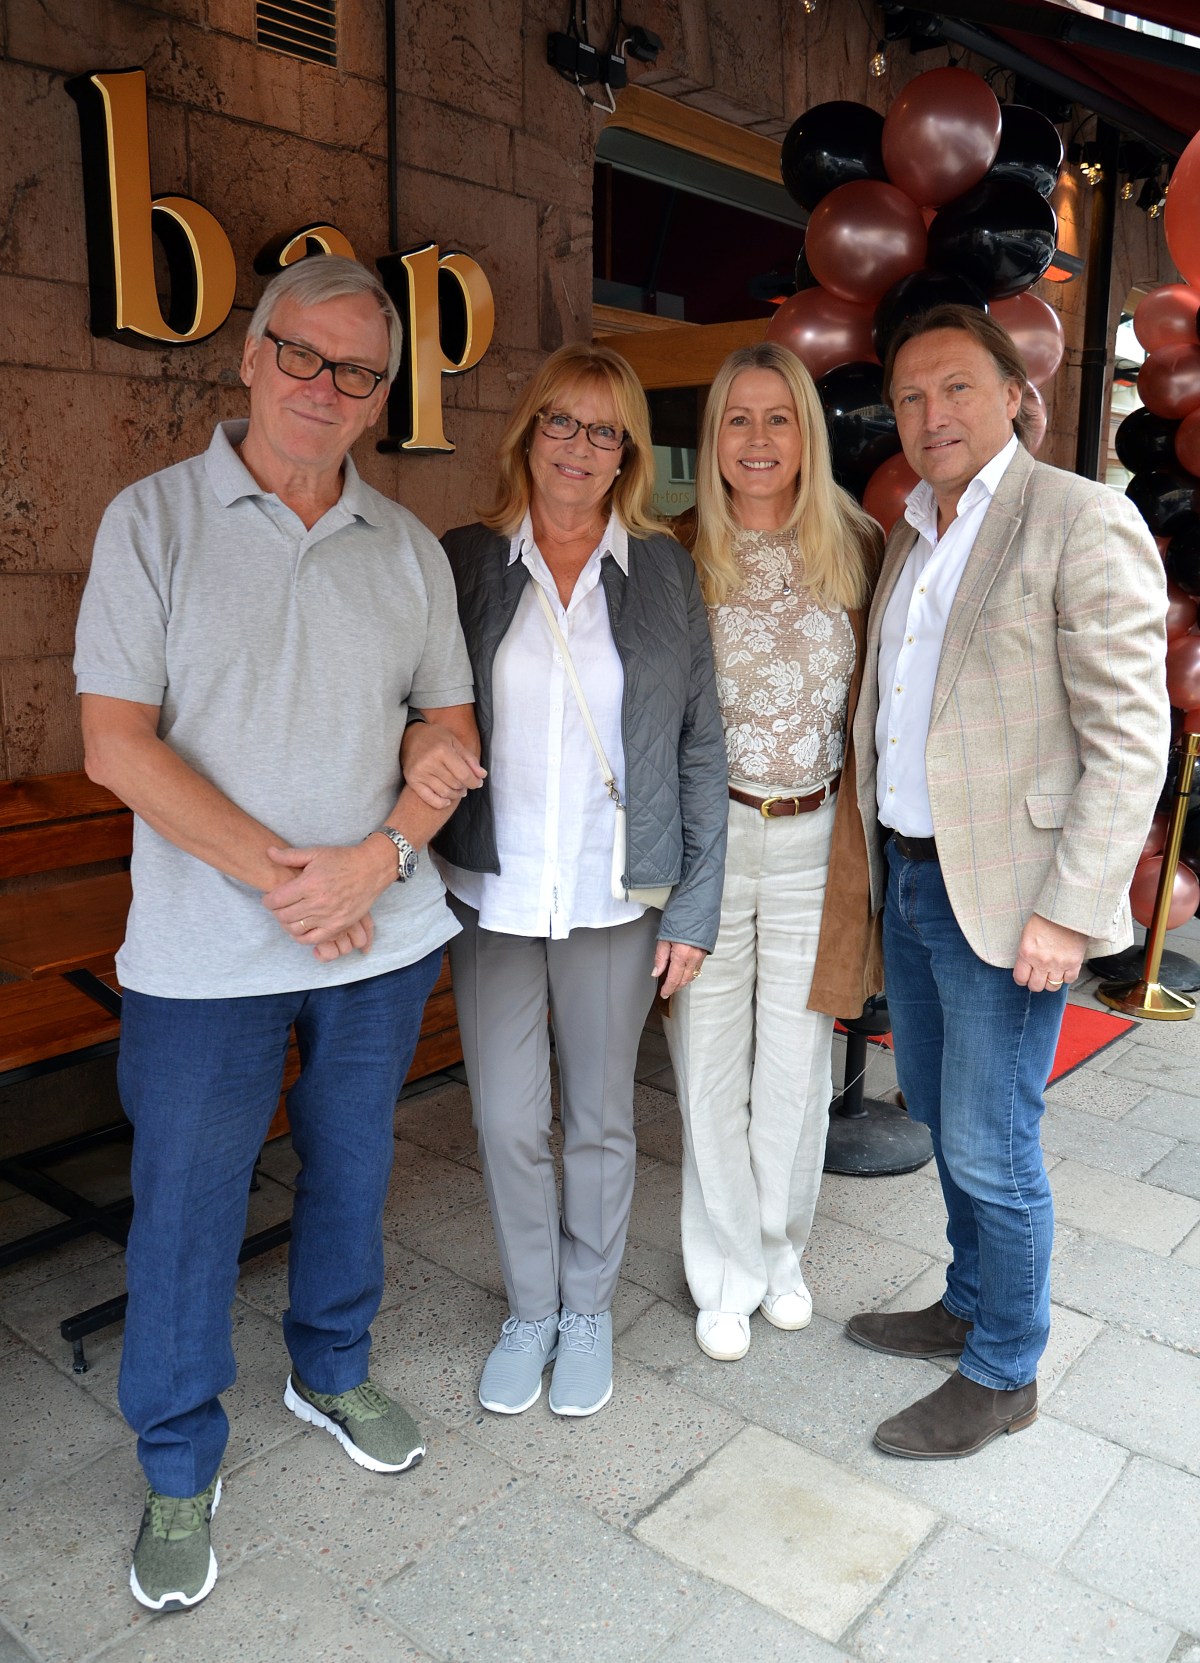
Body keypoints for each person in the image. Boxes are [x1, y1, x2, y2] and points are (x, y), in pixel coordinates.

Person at [73, 255, 478, 1609]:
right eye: (302, 353)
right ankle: (179, 1457)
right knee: (187, 1211)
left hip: (382, 938)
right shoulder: (152, 521)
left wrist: (378, 859)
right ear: (249, 357)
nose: (325, 385)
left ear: (380, 396)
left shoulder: (407, 546)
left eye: (357, 370)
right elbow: (115, 744)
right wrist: (292, 881)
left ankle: (332, 1368)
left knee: (353, 1171)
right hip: (203, 955)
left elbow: (446, 723)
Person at [845, 304, 1169, 1459]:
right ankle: (967, 1300)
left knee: (992, 1140)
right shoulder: (912, 535)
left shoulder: (1079, 518)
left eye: (956, 388)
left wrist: (1069, 913)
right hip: (914, 881)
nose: (930, 413)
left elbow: (1130, 738)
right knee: (941, 1115)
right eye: (910, 396)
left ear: (1016, 396)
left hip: (1012, 901)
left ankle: (1003, 1369)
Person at [402, 343, 728, 1418]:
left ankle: (586, 1309)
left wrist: (693, 906)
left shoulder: (663, 571)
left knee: (598, 1115)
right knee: (504, 1117)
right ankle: (530, 1305)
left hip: (610, 891)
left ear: (626, 451)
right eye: (561, 422)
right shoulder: (465, 559)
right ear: (528, 431)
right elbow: (415, 704)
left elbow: (699, 744)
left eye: (604, 430)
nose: (579, 447)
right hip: (494, 889)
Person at [661, 342, 882, 1363]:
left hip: (815, 841)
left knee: (795, 1065)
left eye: (777, 417)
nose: (757, 439)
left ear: (807, 433)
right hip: (710, 843)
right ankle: (723, 1270)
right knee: (708, 1062)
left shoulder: (858, 544)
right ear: (713, 438)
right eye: (737, 419)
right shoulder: (675, 550)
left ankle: (780, 1250)